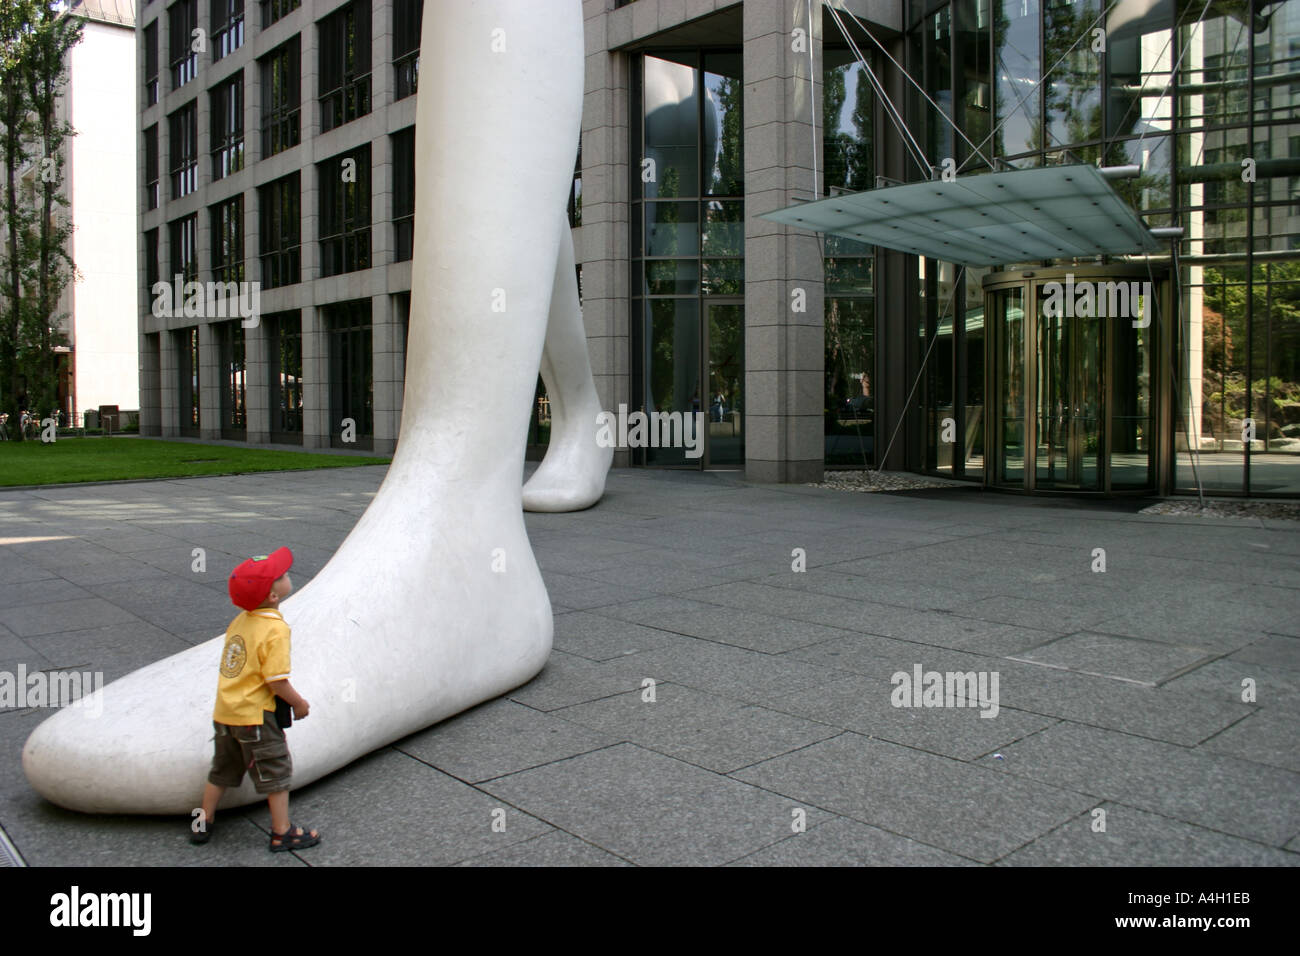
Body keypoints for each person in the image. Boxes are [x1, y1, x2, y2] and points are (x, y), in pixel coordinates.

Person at [191, 546, 320, 852]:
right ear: (274, 596)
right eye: (282, 575)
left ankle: (203, 820)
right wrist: (299, 703)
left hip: (225, 712)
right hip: (255, 716)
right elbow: (275, 680)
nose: (287, 574)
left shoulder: (240, 621)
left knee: (221, 769)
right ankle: (282, 831)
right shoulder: (275, 629)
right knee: (275, 771)